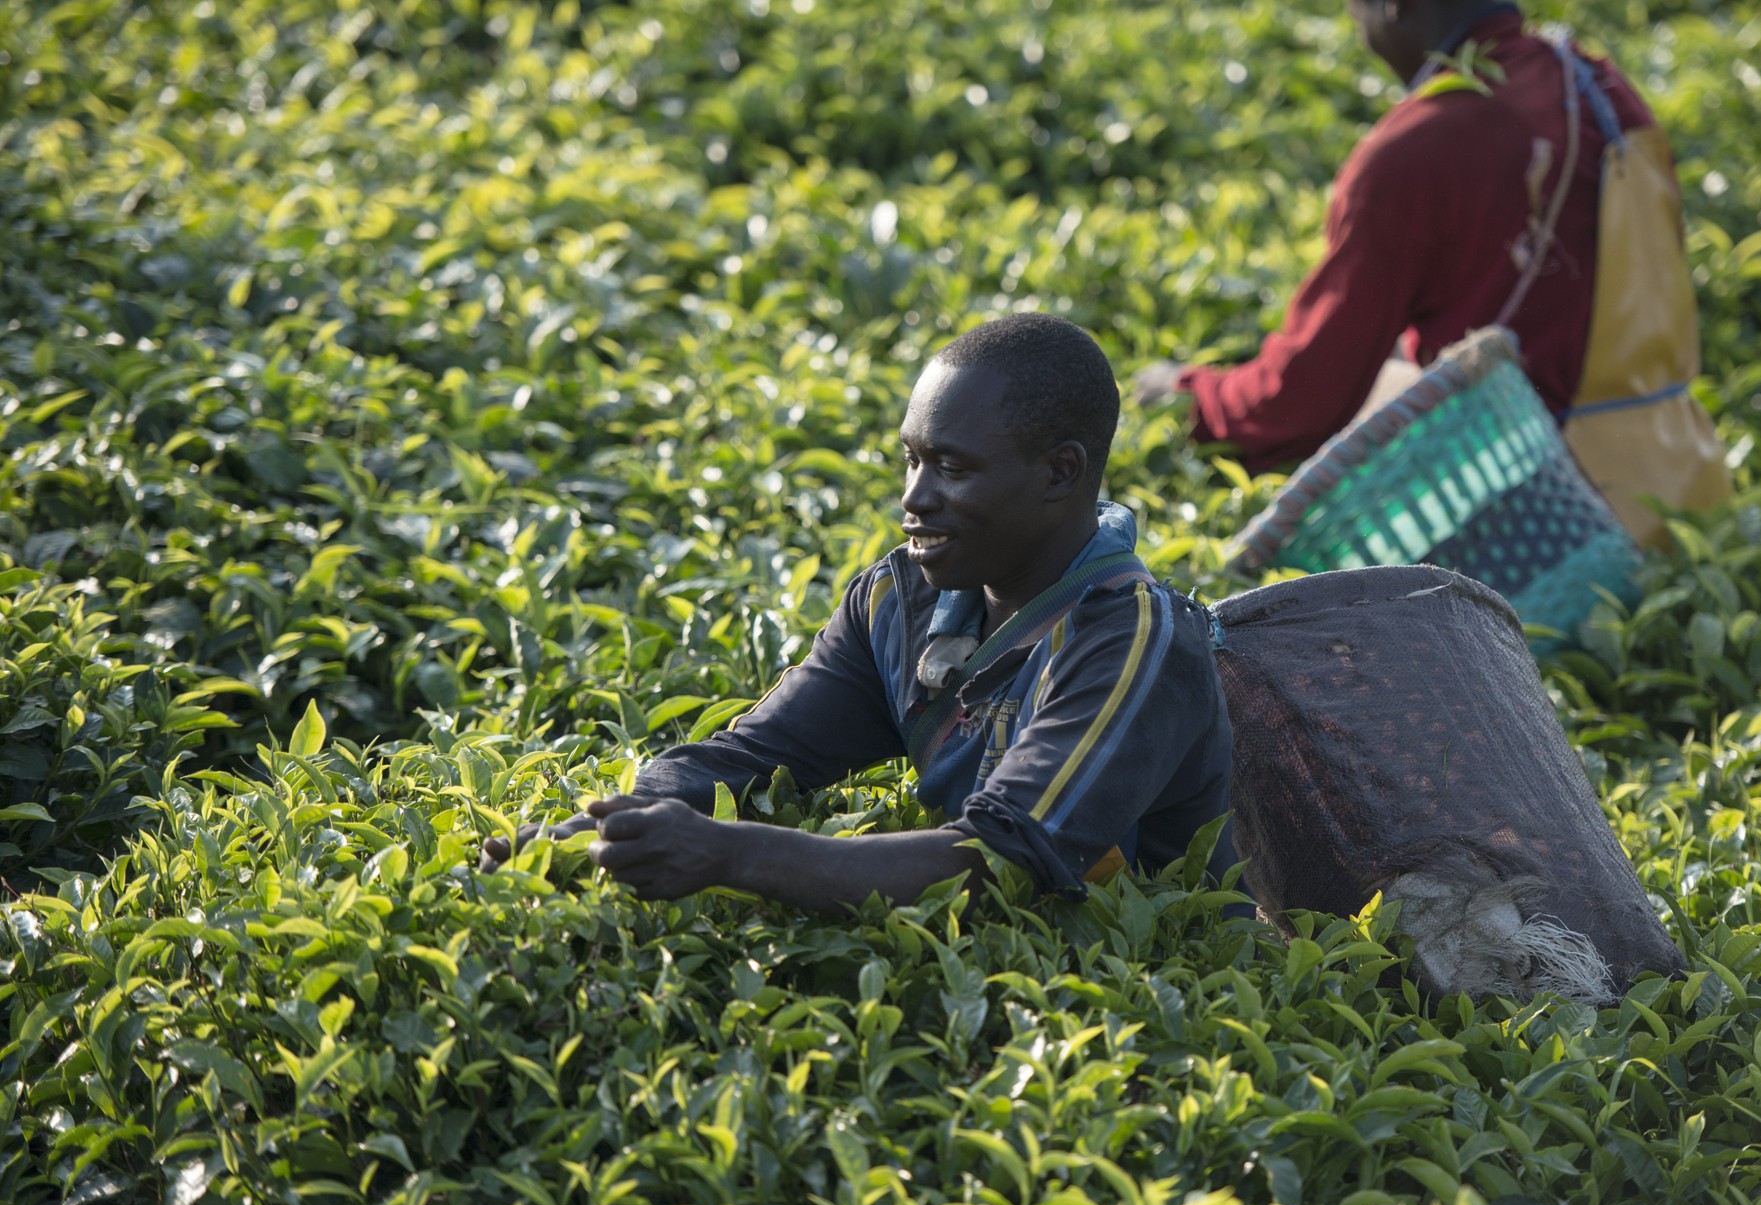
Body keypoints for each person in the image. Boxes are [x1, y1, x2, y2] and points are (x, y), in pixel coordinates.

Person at [482, 313, 1237, 910]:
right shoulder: (901, 598)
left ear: (1060, 472)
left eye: (952, 466)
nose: (914, 497)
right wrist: (613, 823)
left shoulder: (1135, 635)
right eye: (911, 459)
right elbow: (755, 755)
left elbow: (1001, 861)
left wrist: (729, 853)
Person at [1135, 0, 1729, 546]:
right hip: (1684, 494)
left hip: (1546, 528)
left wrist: (1189, 397)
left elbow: (1300, 402)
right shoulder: (1598, 85)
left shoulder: (1419, 146)